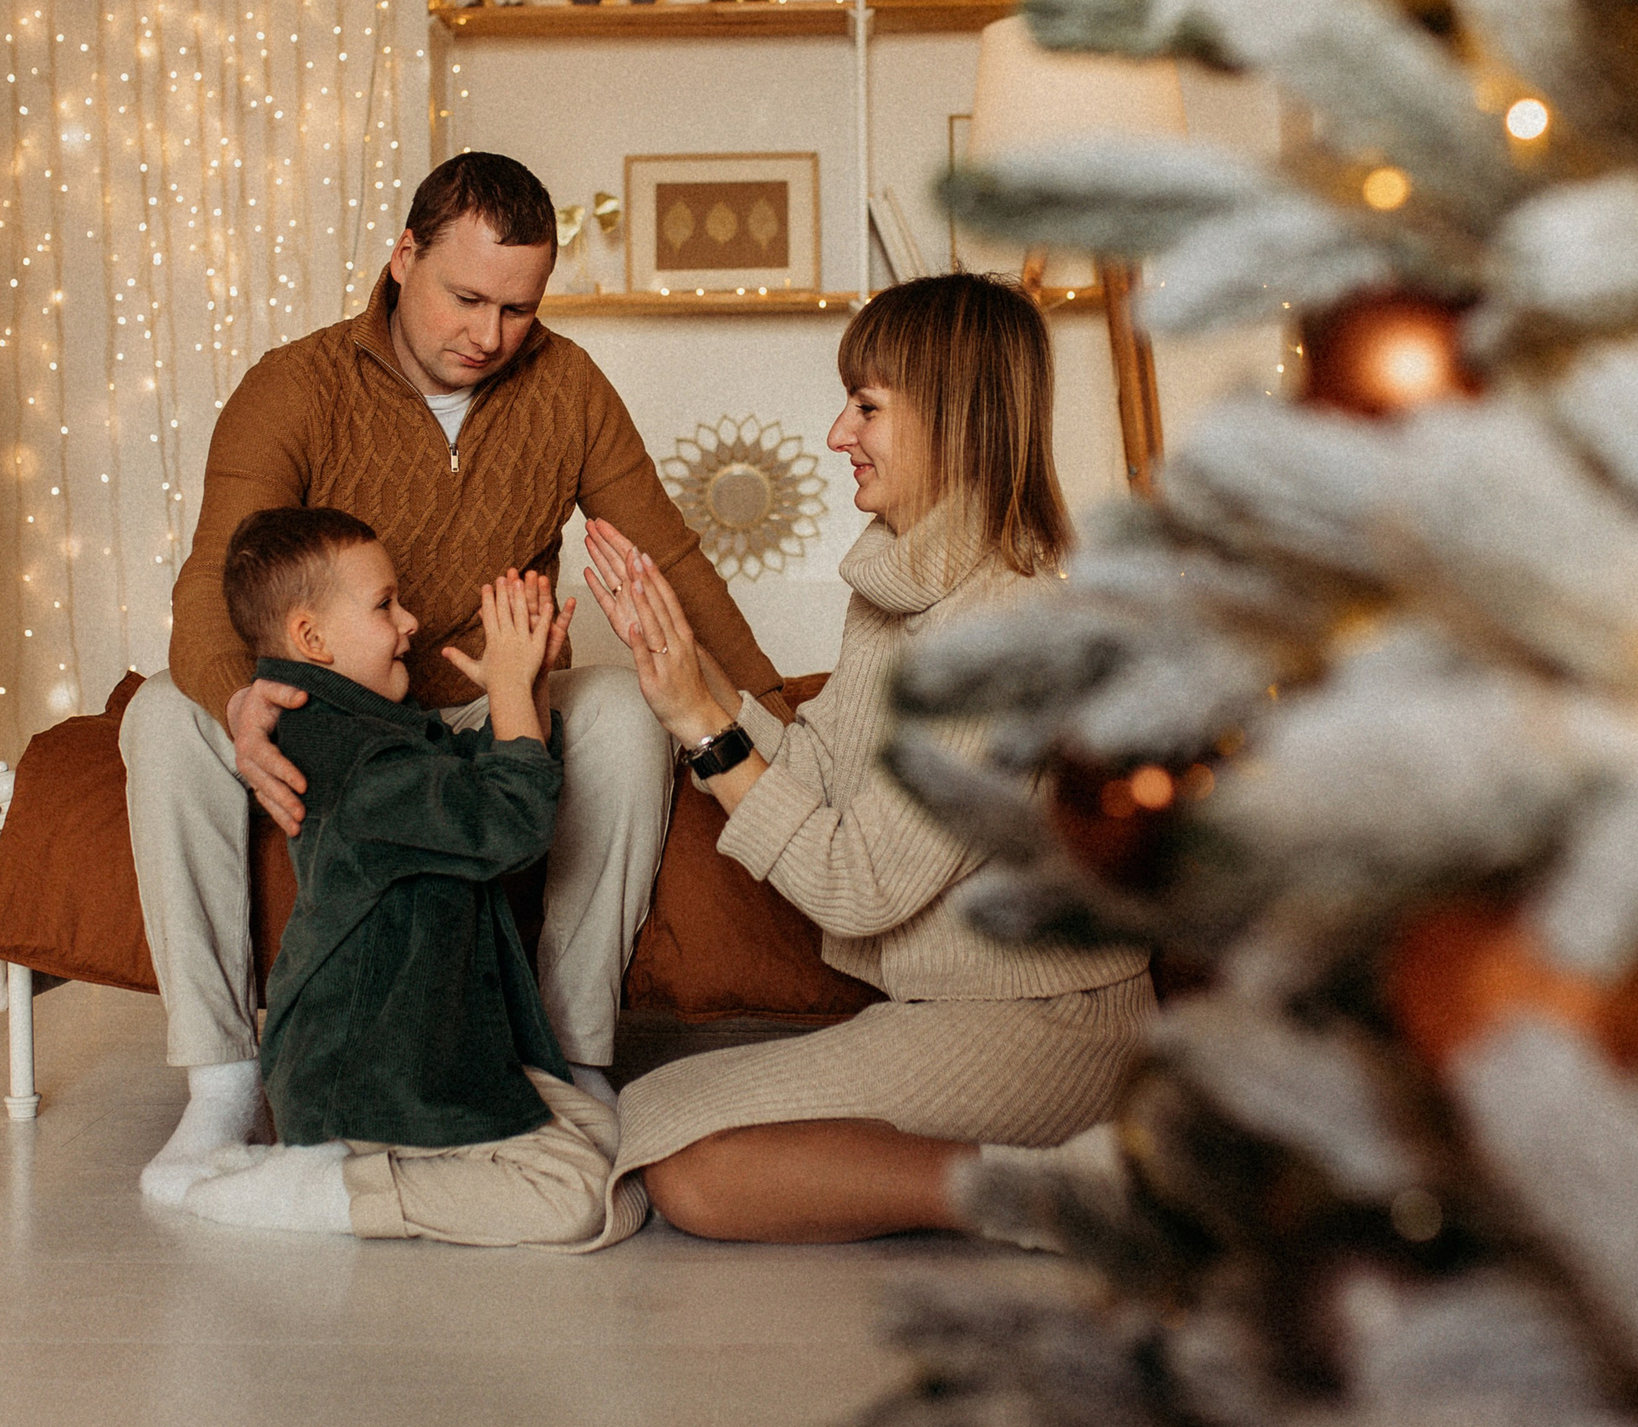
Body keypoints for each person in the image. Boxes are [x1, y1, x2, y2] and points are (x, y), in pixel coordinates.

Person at [126, 152, 788, 1207]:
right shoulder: (293, 385)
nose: (486, 334)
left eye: (517, 309)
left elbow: (668, 562)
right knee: (163, 716)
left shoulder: (567, 386)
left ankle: (576, 1060)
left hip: (490, 699)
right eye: (464, 296)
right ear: (402, 260)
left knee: (617, 705)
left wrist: (777, 711)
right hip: (332, 716)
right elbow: (214, 572)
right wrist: (238, 700)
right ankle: (220, 1076)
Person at [577, 273, 1155, 1246]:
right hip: (953, 1013)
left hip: (1047, 1028)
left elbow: (861, 886)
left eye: (867, 406)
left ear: (954, 419)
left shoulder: (1007, 628)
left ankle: (1064, 1197)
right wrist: (691, 683)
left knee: (686, 1167)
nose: (839, 434)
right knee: (648, 1119)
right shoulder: (902, 594)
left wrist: (701, 730)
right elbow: (815, 763)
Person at [180, 508, 634, 1249]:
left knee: (617, 1144)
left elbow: (467, 794)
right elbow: (506, 825)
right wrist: (510, 689)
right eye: (386, 605)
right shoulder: (354, 760)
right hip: (365, 1070)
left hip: (431, 1045)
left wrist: (532, 685)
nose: (411, 622)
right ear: (311, 638)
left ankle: (354, 1166)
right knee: (580, 1198)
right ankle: (328, 1191)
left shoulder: (372, 729)